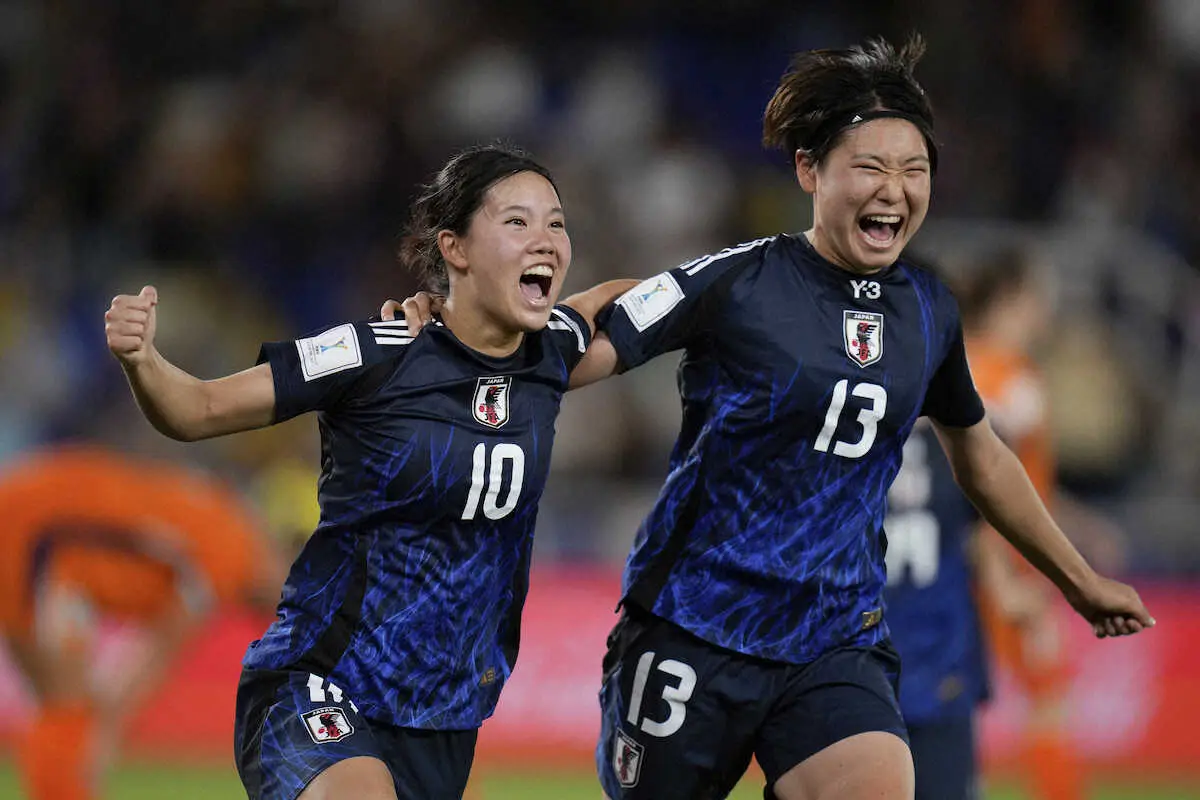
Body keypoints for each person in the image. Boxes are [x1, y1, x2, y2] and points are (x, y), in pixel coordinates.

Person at [389, 35, 1152, 800]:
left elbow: (979, 454)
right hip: (694, 630)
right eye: (870, 167)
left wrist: (1077, 578)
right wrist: (456, 326)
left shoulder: (929, 310)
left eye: (914, 170)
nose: (895, 189)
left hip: (834, 638)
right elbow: (578, 356)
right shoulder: (740, 282)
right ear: (809, 171)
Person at [104, 144, 636, 800]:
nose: (546, 240)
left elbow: (640, 302)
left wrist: (751, 284)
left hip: (444, 714)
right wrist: (143, 360)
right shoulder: (377, 351)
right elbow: (199, 407)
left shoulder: (549, 356)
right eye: (518, 222)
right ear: (455, 248)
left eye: (556, 223)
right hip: (321, 679)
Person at [0, 445, 283, 800]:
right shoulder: (230, 553)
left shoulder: (221, 516)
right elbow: (157, 651)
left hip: (40, 521)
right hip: (35, 533)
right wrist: (106, 734)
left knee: (63, 708)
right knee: (68, 707)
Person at [960, 247, 1125, 800]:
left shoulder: (954, 367)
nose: (1044, 314)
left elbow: (1014, 480)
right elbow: (992, 480)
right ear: (1011, 302)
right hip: (1009, 562)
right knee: (1048, 697)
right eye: (1036, 301)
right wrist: (1006, 572)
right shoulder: (1014, 381)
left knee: (954, 696)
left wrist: (1085, 525)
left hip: (955, 558)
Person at [882, 420, 989, 800]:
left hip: (868, 659)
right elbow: (985, 540)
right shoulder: (960, 439)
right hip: (935, 652)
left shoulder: (837, 430)